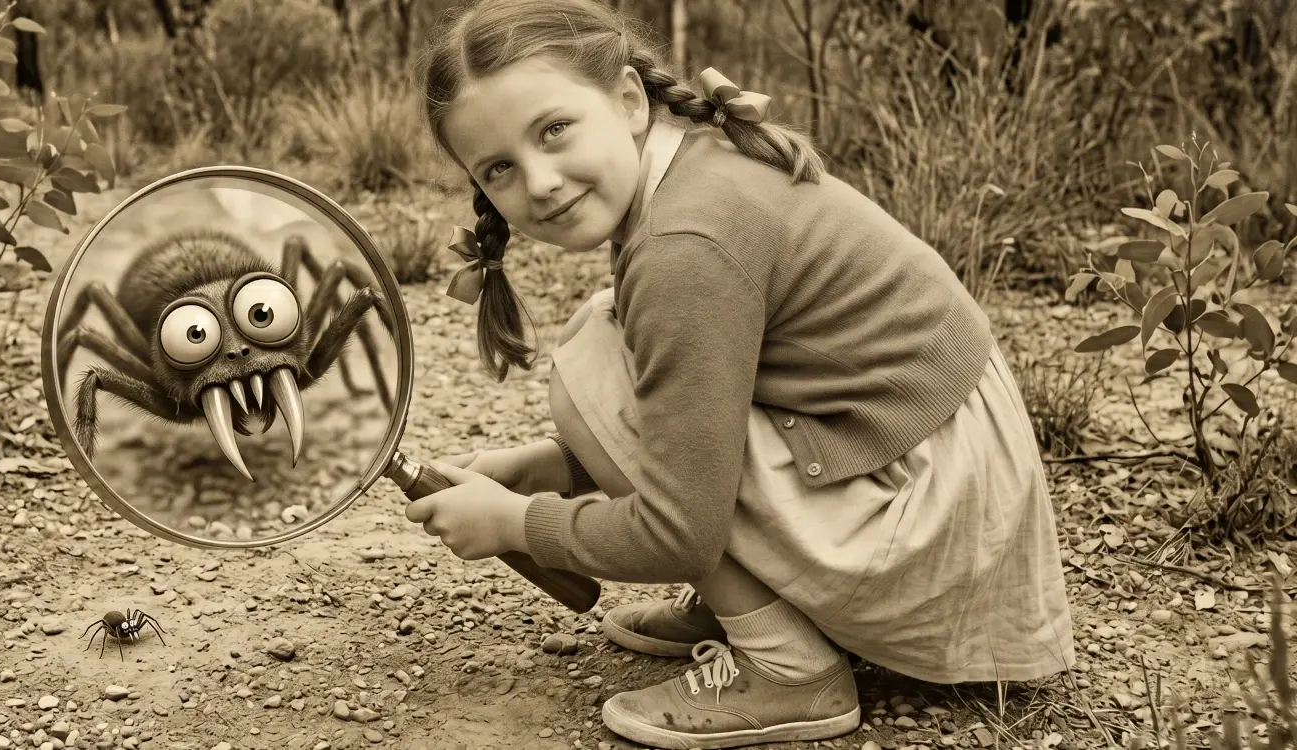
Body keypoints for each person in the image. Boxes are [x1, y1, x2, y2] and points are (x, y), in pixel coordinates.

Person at [398, 0, 1079, 747]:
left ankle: (789, 666)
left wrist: (516, 523)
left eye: (554, 130)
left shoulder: (684, 245)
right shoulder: (690, 168)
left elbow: (677, 532)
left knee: (593, 364)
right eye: (500, 168)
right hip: (928, 478)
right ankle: (756, 602)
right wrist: (557, 468)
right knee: (609, 337)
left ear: (627, 100)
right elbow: (706, 408)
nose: (542, 182)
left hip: (935, 536)